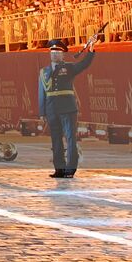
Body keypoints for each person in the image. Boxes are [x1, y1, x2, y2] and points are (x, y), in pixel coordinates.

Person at [38, 37, 97, 178]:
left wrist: (91, 49)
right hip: (52, 109)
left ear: (63, 54)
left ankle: (70, 169)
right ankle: (59, 168)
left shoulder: (69, 68)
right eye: (52, 52)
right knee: (56, 139)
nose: (54, 54)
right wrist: (42, 112)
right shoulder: (43, 72)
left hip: (67, 108)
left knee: (70, 139)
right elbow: (41, 93)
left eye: (57, 52)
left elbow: (84, 64)